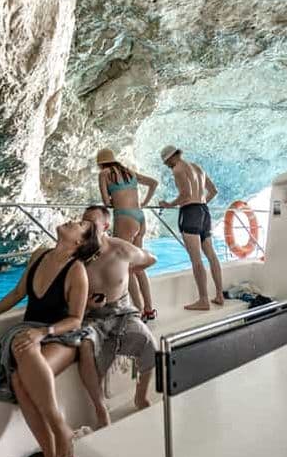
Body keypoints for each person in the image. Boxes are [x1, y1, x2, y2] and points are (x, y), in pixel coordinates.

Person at [0, 219, 100, 457]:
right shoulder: (39, 255)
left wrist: (44, 332)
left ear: (80, 242)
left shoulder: (77, 271)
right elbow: (17, 293)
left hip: (61, 336)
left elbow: (76, 319)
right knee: (20, 379)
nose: (72, 220)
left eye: (79, 224)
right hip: (31, 331)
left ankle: (60, 429)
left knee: (26, 348)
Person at [79, 205, 158, 427]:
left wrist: (127, 273)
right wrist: (86, 304)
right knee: (85, 345)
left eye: (91, 222)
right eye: (83, 221)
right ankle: (100, 407)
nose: (85, 226)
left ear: (105, 226)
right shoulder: (80, 253)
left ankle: (140, 396)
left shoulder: (121, 248)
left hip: (122, 311)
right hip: (91, 315)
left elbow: (151, 259)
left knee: (148, 341)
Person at [158, 145, 224, 310]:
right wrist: (200, 205)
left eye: (166, 163)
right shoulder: (196, 167)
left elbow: (186, 195)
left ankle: (203, 300)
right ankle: (219, 294)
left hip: (190, 213)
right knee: (212, 256)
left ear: (170, 158)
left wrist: (169, 204)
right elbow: (213, 191)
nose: (168, 166)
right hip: (204, 210)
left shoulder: (178, 170)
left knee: (196, 259)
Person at [96, 148, 159, 321]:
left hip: (124, 218)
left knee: (127, 267)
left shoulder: (104, 174)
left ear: (101, 163)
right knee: (139, 266)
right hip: (140, 217)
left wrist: (113, 199)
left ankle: (137, 312)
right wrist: (144, 202)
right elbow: (154, 183)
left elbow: (105, 201)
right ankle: (149, 309)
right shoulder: (129, 172)